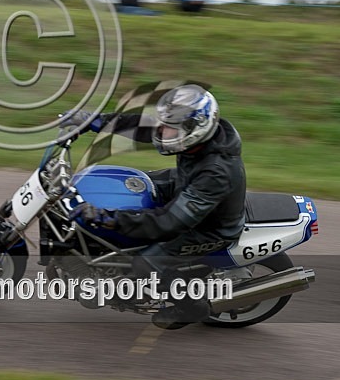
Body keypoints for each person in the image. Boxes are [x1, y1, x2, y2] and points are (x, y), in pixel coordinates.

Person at [61, 84, 246, 328]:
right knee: (131, 185)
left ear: (195, 129)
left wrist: (111, 219)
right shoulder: (199, 136)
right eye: (164, 125)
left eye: (169, 129)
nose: (162, 132)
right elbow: (144, 126)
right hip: (187, 185)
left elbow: (169, 223)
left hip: (210, 228)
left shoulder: (216, 173)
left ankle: (191, 307)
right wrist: (93, 121)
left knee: (146, 263)